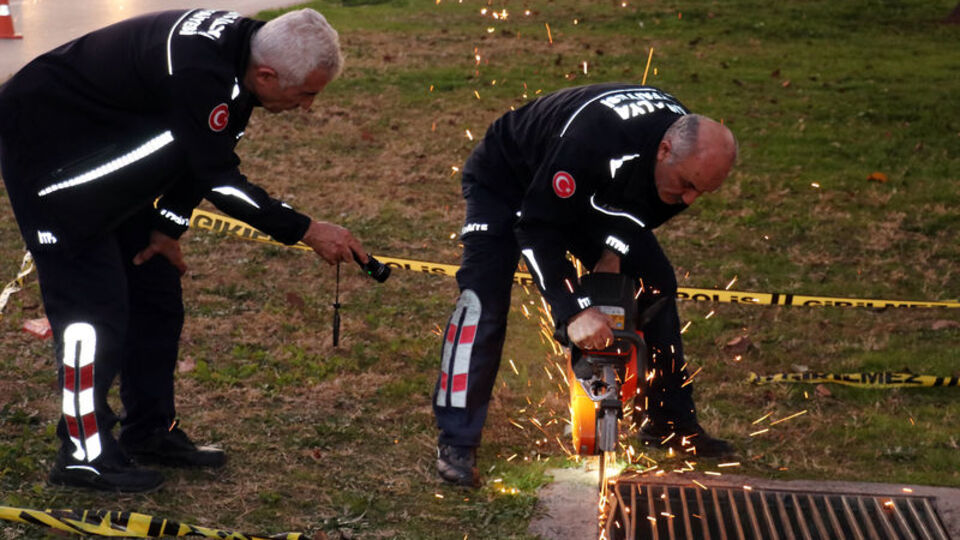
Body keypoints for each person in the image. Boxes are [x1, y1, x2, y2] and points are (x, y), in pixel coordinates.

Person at [0, 8, 369, 493]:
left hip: (112, 165)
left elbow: (200, 151)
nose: (309, 107)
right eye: (306, 94)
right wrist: (305, 229)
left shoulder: (240, 55)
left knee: (156, 297)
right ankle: (83, 455)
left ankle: (150, 431)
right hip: (54, 170)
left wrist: (166, 226)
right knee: (94, 319)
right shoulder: (200, 72)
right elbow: (220, 179)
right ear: (268, 74)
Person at [432, 84, 738, 487]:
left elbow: (637, 215)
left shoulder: (680, 155)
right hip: (507, 182)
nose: (689, 199)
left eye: (702, 191)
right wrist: (573, 309)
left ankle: (668, 421)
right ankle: (456, 440)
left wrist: (611, 255)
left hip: (586, 191)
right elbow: (536, 227)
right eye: (686, 185)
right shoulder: (592, 140)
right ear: (664, 150)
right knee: (483, 297)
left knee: (655, 282)